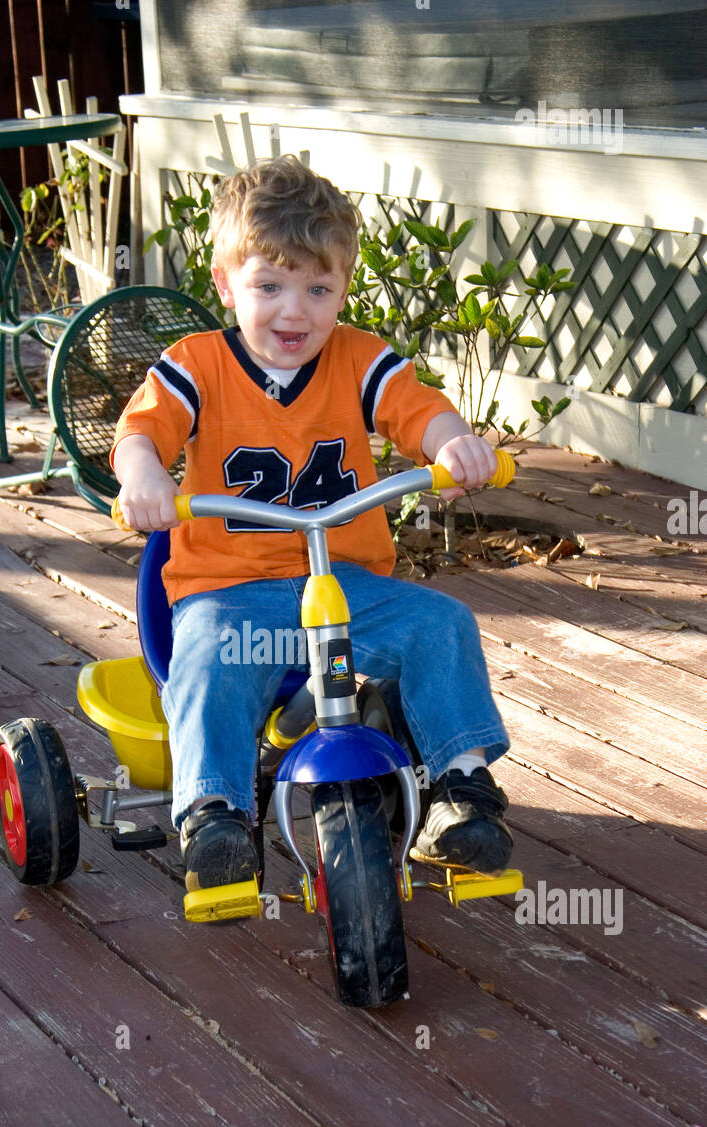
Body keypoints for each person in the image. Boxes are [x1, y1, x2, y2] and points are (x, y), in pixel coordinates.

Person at [111, 155, 512, 894]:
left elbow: (414, 406)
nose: (294, 311)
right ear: (227, 284)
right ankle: (215, 814)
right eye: (269, 286)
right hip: (232, 590)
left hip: (345, 583)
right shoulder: (196, 365)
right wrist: (142, 475)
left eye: (317, 288)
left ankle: (459, 793)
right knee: (205, 659)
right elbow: (143, 429)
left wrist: (450, 440)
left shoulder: (357, 358)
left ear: (341, 290)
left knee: (442, 624)